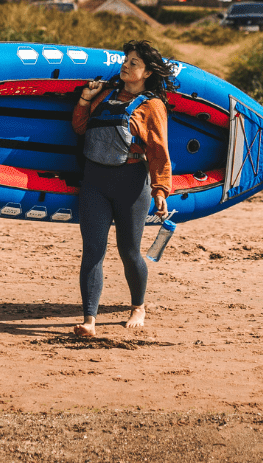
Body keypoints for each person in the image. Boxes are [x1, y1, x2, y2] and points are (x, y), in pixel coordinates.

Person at [70, 40, 175, 336]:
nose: (126, 66)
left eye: (133, 63)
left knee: (129, 251)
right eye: (125, 61)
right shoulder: (104, 95)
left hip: (130, 183)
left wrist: (160, 190)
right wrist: (83, 99)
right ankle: (89, 319)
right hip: (94, 181)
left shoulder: (152, 106)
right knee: (92, 251)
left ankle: (138, 306)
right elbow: (80, 128)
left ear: (147, 73)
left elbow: (158, 150)